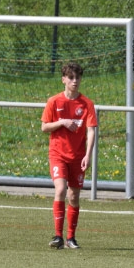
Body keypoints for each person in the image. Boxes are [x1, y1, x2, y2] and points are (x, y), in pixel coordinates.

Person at [41, 62, 98, 249]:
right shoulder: (54, 102)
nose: (75, 81)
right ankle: (58, 236)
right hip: (58, 154)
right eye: (71, 77)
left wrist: (88, 155)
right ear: (63, 79)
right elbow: (44, 127)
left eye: (77, 78)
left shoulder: (87, 104)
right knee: (60, 190)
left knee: (74, 196)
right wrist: (62, 122)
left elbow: (91, 130)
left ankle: (70, 238)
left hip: (78, 156)